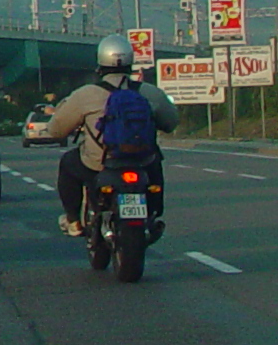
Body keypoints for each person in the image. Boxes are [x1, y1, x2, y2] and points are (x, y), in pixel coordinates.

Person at [43, 34, 181, 237]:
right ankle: (152, 214)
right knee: (156, 160)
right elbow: (170, 123)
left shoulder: (85, 94)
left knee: (68, 162)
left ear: (100, 63)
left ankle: (73, 221)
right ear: (130, 62)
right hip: (142, 162)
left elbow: (55, 130)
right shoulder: (150, 92)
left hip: (99, 164)